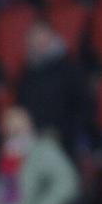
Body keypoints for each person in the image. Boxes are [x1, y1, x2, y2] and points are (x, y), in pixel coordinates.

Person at [15, 20, 91, 155]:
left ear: (51, 37)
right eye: (32, 37)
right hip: (32, 140)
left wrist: (66, 133)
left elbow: (83, 105)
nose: (36, 41)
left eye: (40, 35)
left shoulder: (69, 68)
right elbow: (21, 107)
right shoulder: (26, 73)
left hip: (64, 140)